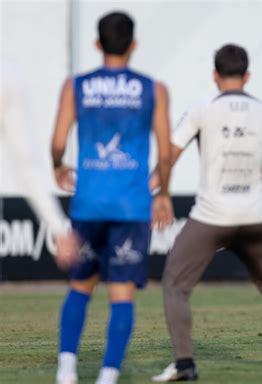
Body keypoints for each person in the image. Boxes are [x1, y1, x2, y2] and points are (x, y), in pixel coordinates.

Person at [151, 44, 262, 382]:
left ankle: (185, 365)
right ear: (247, 76)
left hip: (213, 217)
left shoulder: (204, 107)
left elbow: (168, 156)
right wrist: (248, 180)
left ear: (215, 75)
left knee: (175, 283)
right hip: (252, 217)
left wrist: (159, 194)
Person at [51, 12, 174, 384]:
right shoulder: (154, 89)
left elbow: (58, 142)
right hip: (131, 205)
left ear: (96, 44)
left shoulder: (76, 85)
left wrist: (58, 165)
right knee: (121, 294)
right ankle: (107, 375)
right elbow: (165, 152)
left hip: (88, 202)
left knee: (79, 287)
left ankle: (67, 370)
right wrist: (164, 192)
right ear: (133, 45)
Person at [0, 58, 79, 270]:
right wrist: (58, 228)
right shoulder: (6, 75)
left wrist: (58, 228)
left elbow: (24, 164)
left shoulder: (6, 76)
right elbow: (25, 165)